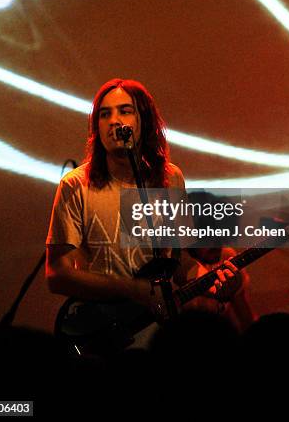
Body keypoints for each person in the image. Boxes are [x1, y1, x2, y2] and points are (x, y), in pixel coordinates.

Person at [46, 78, 240, 324]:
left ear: (144, 120)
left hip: (158, 327)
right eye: (105, 114)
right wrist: (132, 289)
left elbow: (179, 261)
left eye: (125, 111)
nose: (114, 120)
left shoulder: (170, 179)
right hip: (103, 327)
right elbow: (56, 274)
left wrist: (213, 284)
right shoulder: (75, 185)